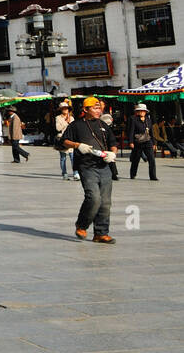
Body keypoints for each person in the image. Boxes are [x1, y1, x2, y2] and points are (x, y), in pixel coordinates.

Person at [64, 96, 118, 243]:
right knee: (93, 198)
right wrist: (77, 145)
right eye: (94, 108)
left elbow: (113, 142)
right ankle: (81, 225)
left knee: (106, 202)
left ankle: (101, 233)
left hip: (104, 166)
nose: (98, 110)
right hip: (86, 166)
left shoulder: (103, 125)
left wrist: (112, 153)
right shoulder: (76, 125)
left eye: (99, 108)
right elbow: (63, 141)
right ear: (85, 109)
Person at [128, 102, 158, 180]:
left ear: (145, 112)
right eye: (140, 111)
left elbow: (151, 132)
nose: (141, 112)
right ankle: (133, 174)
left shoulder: (148, 120)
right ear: (137, 112)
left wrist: (154, 143)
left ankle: (153, 176)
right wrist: (131, 142)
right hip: (138, 142)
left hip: (148, 141)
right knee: (136, 159)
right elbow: (131, 131)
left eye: (143, 111)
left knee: (151, 159)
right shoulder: (133, 119)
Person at [53, 100, 75, 180]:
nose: (65, 110)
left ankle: (75, 173)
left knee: (73, 157)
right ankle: (64, 173)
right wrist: (66, 123)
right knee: (63, 158)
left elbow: (74, 128)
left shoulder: (72, 118)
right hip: (62, 139)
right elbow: (58, 128)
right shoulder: (58, 118)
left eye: (66, 108)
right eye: (63, 109)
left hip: (71, 139)